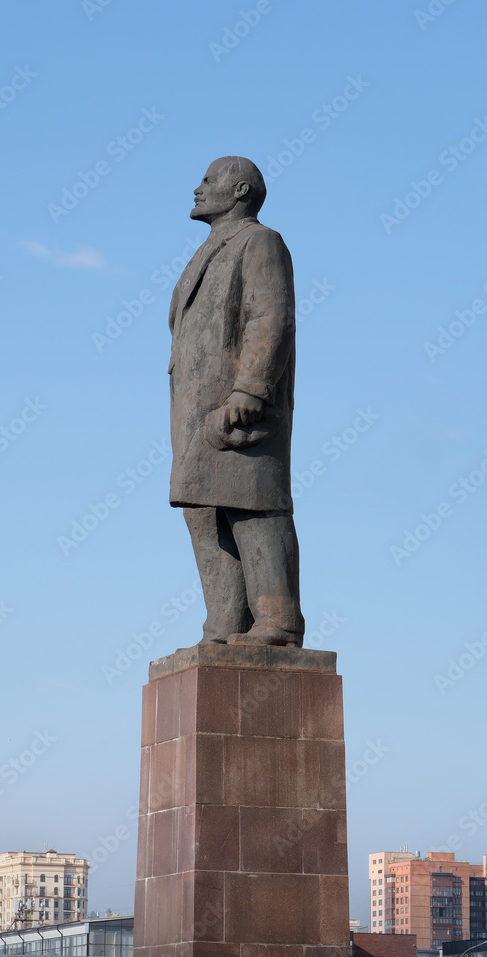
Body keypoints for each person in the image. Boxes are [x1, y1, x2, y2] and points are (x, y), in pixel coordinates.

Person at [168, 156, 305, 647]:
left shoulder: (260, 242)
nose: (198, 188)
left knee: (253, 506)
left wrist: (250, 389)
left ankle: (278, 623)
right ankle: (224, 624)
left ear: (240, 189)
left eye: (208, 180)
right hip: (196, 413)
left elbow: (271, 318)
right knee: (204, 510)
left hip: (240, 408)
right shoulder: (210, 249)